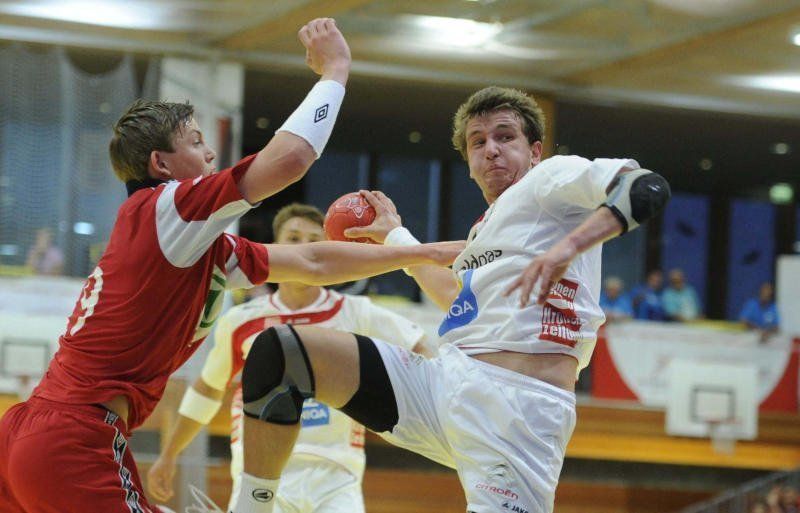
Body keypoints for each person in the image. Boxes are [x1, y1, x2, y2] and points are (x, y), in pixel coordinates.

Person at [0, 19, 461, 513]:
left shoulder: (189, 245)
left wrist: (423, 252)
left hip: (33, 432)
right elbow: (290, 159)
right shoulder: (168, 207)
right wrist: (335, 71)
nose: (211, 152)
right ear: (161, 164)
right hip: (73, 436)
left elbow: (311, 261)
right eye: (196, 142)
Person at [230, 86, 670, 513]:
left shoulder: (551, 178)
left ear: (535, 150)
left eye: (505, 136)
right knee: (282, 352)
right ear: (470, 164)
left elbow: (645, 187)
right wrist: (395, 237)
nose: (491, 150)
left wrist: (568, 247)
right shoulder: (486, 226)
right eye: (478, 142)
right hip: (443, 382)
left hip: (516, 411)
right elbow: (458, 301)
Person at [147, 203, 430, 512]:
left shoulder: (357, 313)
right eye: (293, 238)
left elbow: (422, 349)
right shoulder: (241, 320)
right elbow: (208, 389)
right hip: (260, 475)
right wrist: (169, 454)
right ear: (275, 247)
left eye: (313, 241)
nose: (303, 248)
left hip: (337, 477)